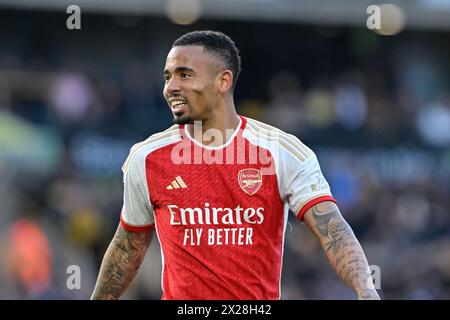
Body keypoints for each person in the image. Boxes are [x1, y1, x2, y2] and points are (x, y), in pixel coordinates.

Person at [91, 30, 380, 300]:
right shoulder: (147, 157)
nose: (171, 87)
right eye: (168, 77)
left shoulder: (281, 152)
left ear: (223, 81)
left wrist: (367, 292)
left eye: (184, 75)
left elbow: (333, 229)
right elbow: (129, 245)